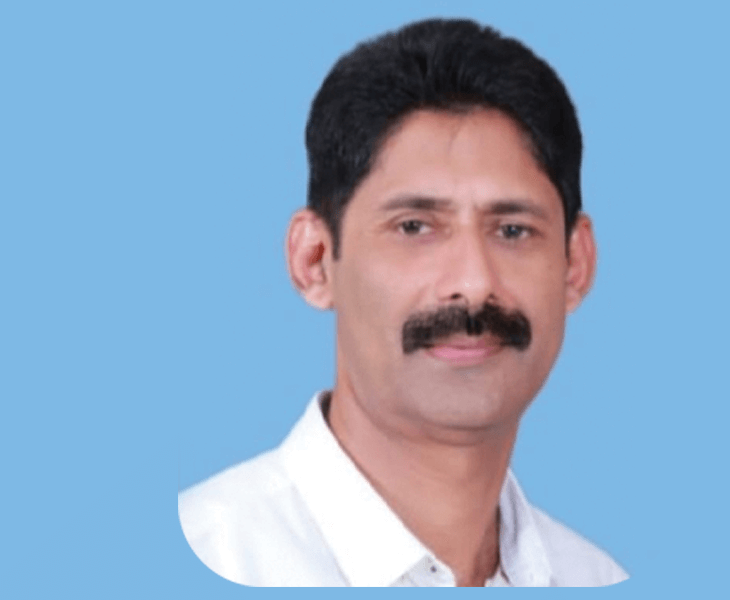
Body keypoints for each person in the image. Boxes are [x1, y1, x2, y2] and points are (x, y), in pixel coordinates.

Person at [179, 18, 629, 587]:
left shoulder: (596, 579)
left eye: (513, 230)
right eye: (414, 226)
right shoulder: (213, 554)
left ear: (576, 264)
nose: (473, 283)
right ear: (314, 260)